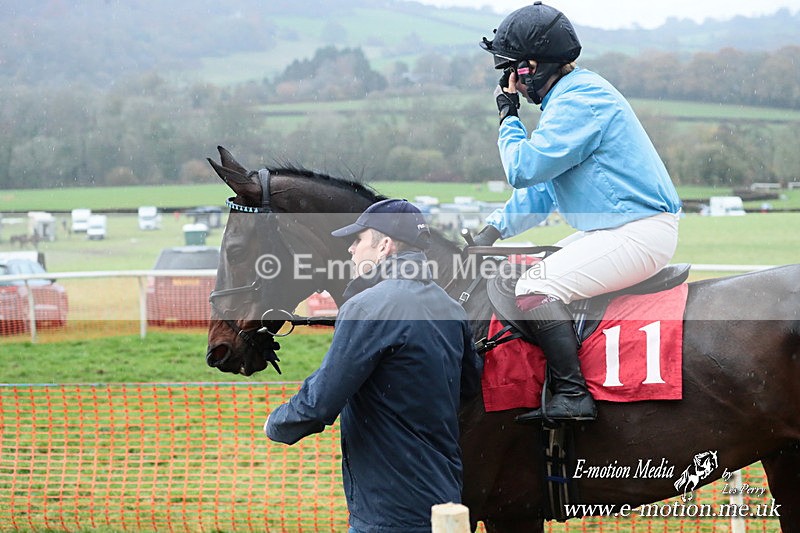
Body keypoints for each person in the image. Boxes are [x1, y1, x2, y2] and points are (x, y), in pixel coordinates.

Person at [475, 2, 682, 423]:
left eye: (513, 70)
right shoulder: (570, 99)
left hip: (636, 233)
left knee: (533, 289)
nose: (510, 82)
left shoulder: (580, 101)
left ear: (532, 66)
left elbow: (523, 169)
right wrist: (490, 232)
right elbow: (544, 191)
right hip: (615, 230)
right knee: (527, 267)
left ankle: (573, 395)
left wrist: (507, 116)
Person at [264, 199, 481, 533]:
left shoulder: (367, 308)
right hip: (444, 500)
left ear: (384, 246)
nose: (350, 250)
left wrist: (275, 424)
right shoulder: (450, 308)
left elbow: (318, 405)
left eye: (358, 240)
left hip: (388, 510)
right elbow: (469, 386)